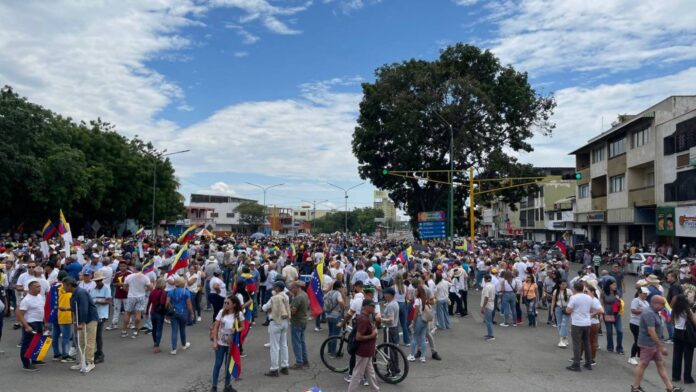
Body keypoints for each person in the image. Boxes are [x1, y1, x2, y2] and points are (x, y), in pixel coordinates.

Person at [631, 295, 684, 392]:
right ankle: (635, 387)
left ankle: (670, 388)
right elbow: (651, 331)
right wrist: (661, 346)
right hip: (648, 344)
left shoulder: (655, 312)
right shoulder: (649, 313)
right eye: (662, 304)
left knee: (660, 364)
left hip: (653, 344)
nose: (664, 306)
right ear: (655, 303)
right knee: (643, 364)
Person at [63, 277, 99, 373]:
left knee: (89, 341)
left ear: (69, 285)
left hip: (89, 319)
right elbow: (76, 308)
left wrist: (82, 323)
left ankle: (90, 362)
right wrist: (67, 309)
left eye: (64, 285)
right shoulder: (75, 293)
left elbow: (84, 308)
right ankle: (82, 361)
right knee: (81, 342)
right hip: (82, 320)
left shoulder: (81, 293)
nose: (63, 288)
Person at [566, 281, 603, 371]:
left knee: (577, 343)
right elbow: (591, 309)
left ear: (574, 288)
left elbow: (568, 310)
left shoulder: (573, 298)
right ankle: (588, 363)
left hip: (577, 322)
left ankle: (576, 364)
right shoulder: (589, 298)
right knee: (587, 343)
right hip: (587, 322)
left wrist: (569, 309)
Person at [210, 295, 243, 392]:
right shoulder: (221, 312)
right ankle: (214, 386)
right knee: (217, 364)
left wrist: (236, 329)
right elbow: (215, 327)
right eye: (224, 302)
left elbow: (243, 327)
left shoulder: (239, 314)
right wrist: (215, 341)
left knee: (228, 365)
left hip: (231, 345)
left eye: (227, 303)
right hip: (220, 343)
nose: (225, 304)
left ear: (234, 304)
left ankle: (227, 386)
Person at [348, 298, 380, 392]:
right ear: (366, 307)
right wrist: (372, 335)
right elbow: (358, 337)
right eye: (372, 306)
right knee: (357, 374)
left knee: (370, 373)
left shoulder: (367, 317)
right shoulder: (363, 319)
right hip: (363, 351)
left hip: (368, 351)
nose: (374, 308)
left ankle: (375, 390)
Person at [262, 280, 291, 377]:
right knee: (284, 345)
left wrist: (268, 308)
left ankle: (274, 369)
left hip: (275, 322)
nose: (273, 288)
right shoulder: (286, 296)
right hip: (285, 321)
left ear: (278, 288)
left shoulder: (274, 298)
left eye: (275, 287)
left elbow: (264, 308)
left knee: (274, 347)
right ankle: (285, 366)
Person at [16, 280, 44, 371]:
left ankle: (35, 359)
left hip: (39, 322)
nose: (39, 288)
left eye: (39, 286)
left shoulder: (39, 296)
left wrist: (44, 322)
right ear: (30, 288)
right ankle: (26, 364)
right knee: (27, 344)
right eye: (37, 287)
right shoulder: (26, 300)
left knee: (37, 342)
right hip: (31, 323)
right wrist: (26, 326)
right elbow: (20, 314)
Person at [122, 264, 152, 339]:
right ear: (142, 269)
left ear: (135, 268)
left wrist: (130, 291)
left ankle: (124, 331)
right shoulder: (145, 277)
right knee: (138, 314)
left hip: (131, 296)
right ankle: (135, 331)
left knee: (127, 313)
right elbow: (151, 288)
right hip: (141, 296)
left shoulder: (129, 276)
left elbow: (125, 287)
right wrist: (144, 290)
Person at [671, 294, 696, 384]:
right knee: (688, 356)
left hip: (677, 332)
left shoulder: (674, 310)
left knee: (677, 355)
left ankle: (675, 376)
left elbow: (672, 321)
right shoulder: (687, 310)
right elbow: (694, 321)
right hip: (686, 334)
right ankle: (687, 377)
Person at [166, 277, 194, 354]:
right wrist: (192, 313)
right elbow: (189, 304)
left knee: (174, 331)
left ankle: (174, 349)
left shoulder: (171, 292)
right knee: (182, 329)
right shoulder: (186, 292)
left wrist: (167, 314)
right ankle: (184, 344)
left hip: (174, 313)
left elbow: (167, 304)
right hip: (183, 313)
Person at [89, 271, 111, 364]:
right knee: (94, 335)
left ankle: (100, 353)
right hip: (94, 314)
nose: (98, 282)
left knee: (98, 335)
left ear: (101, 280)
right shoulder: (93, 290)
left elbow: (109, 301)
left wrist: (97, 301)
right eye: (96, 281)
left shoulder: (106, 289)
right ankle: (97, 352)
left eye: (99, 281)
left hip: (102, 314)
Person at [288, 280, 309, 369]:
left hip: (297, 321)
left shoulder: (297, 298)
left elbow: (293, 311)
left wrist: (287, 309)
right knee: (302, 341)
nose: (291, 290)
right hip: (303, 320)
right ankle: (305, 360)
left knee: (296, 342)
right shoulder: (304, 294)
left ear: (296, 288)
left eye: (292, 288)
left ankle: (299, 362)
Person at [407, 286, 431, 363]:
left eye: (416, 291)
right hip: (425, 320)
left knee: (415, 337)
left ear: (419, 292)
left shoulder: (417, 300)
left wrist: (413, 322)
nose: (415, 292)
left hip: (419, 319)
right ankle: (423, 357)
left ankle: (412, 355)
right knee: (423, 338)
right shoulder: (425, 299)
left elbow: (416, 312)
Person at [628, 287, 650, 365]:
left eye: (646, 294)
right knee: (637, 340)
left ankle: (639, 356)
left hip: (643, 324)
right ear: (639, 293)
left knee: (641, 341)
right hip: (635, 323)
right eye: (644, 294)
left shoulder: (646, 302)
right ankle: (632, 357)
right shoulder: (636, 300)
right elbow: (633, 311)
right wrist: (643, 311)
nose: (645, 295)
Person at [602, 280, 624, 354]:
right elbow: (601, 303)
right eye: (613, 285)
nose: (615, 286)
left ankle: (619, 348)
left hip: (617, 314)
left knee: (620, 331)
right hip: (608, 314)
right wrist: (603, 312)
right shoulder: (604, 293)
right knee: (609, 332)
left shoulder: (617, 292)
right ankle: (610, 347)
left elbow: (621, 301)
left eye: (615, 285)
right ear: (609, 285)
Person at [108, 261, 130, 330]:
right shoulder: (117, 274)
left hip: (127, 295)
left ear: (126, 266)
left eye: (124, 266)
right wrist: (118, 284)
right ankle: (114, 323)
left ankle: (129, 323)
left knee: (128, 310)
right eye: (120, 266)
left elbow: (132, 284)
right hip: (118, 294)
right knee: (116, 309)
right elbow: (113, 284)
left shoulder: (129, 273)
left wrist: (125, 285)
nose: (122, 267)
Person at [146, 278, 168, 353]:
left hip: (152, 312)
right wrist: (166, 313)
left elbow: (149, 303)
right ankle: (157, 346)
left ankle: (155, 342)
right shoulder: (163, 292)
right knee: (159, 329)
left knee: (154, 329)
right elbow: (162, 303)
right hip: (160, 313)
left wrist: (146, 313)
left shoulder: (152, 292)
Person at [324, 280, 345, 355]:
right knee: (335, 334)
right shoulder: (338, 293)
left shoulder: (329, 293)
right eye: (341, 287)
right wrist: (343, 306)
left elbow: (324, 299)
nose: (342, 288)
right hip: (336, 315)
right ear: (338, 287)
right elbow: (340, 301)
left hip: (328, 315)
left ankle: (329, 350)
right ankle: (333, 352)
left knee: (330, 333)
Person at [551, 280, 572, 348]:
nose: (564, 286)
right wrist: (552, 310)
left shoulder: (569, 291)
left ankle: (561, 340)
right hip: (558, 308)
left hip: (566, 309)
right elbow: (553, 301)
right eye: (562, 284)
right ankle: (564, 338)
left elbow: (572, 301)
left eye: (565, 284)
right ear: (559, 285)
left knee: (564, 324)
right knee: (559, 324)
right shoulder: (556, 291)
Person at [480, 274, 495, 341]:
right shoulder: (492, 285)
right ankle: (489, 334)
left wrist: (483, 307)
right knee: (488, 320)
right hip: (491, 303)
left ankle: (491, 335)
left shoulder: (487, 287)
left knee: (488, 321)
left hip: (487, 305)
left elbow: (486, 297)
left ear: (485, 279)